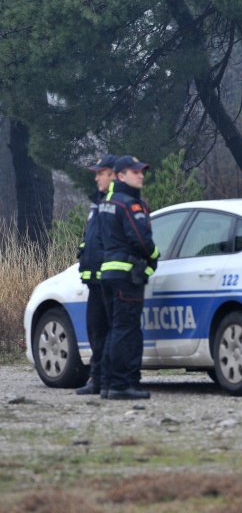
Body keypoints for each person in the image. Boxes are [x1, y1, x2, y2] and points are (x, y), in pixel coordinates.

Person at [99, 156, 159, 400]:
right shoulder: (130, 205)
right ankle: (122, 385)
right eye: (135, 172)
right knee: (127, 331)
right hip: (127, 276)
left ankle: (108, 383)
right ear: (121, 176)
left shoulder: (107, 203)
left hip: (109, 273)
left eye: (141, 171)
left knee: (115, 330)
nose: (141, 175)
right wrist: (155, 257)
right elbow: (141, 240)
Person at [74, 154, 117, 395]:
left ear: (113, 175)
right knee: (95, 329)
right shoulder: (97, 202)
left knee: (110, 331)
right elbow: (91, 237)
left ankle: (109, 380)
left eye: (101, 173)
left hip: (109, 279)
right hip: (93, 279)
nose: (96, 177)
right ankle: (97, 379)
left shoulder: (116, 202)